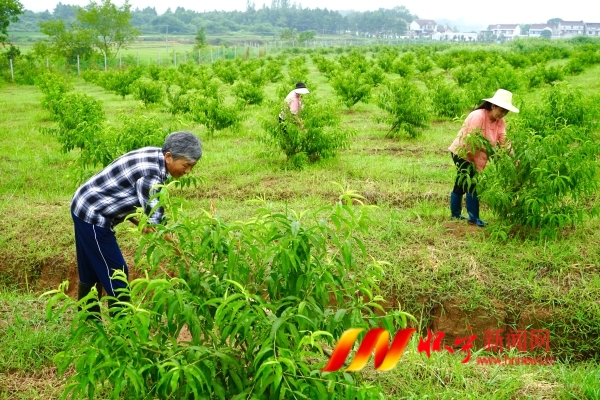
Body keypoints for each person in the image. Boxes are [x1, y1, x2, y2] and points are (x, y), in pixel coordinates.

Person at [71, 131, 202, 314]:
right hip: (92, 214)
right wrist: (181, 254)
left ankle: (88, 320)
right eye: (186, 165)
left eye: (192, 167)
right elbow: (157, 222)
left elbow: (129, 193)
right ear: (169, 156)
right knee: (116, 272)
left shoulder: (157, 156)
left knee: (91, 269)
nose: (188, 171)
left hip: (85, 202)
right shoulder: (151, 175)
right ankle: (123, 328)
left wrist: (140, 220)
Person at [448, 89, 519, 227]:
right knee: (471, 183)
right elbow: (472, 141)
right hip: (463, 153)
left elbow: (504, 141)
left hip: (478, 157)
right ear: (493, 106)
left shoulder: (500, 122)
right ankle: (474, 218)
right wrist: (492, 152)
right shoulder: (478, 116)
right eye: (501, 110)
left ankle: (455, 214)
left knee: (461, 182)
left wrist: (514, 158)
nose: (503, 114)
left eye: (505, 112)